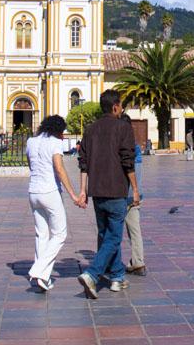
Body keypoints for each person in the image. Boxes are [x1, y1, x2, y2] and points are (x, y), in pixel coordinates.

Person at [77, 90, 140, 299]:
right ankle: (92, 274)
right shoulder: (123, 127)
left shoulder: (90, 129)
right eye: (121, 106)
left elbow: (83, 162)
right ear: (115, 107)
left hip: (97, 191)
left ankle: (117, 277)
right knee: (113, 237)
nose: (121, 109)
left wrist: (83, 190)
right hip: (116, 190)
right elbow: (127, 161)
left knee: (105, 235)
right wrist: (136, 190)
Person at [26, 115, 85, 292]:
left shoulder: (31, 141)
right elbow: (59, 169)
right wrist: (73, 195)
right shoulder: (54, 143)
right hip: (49, 192)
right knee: (60, 234)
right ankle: (38, 269)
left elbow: (30, 165)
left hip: (33, 191)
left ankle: (43, 278)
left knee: (41, 234)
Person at [121, 114, 146, 277]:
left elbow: (128, 169)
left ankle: (108, 263)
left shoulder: (120, 146)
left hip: (121, 194)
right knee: (135, 230)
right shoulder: (136, 147)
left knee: (111, 231)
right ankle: (138, 262)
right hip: (135, 196)